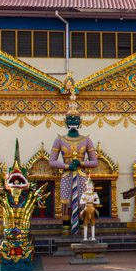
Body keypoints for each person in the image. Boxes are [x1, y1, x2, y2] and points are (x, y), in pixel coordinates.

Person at [50, 91, 98, 235]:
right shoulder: (60, 139)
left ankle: (83, 228)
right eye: (70, 119)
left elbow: (94, 162)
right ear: (65, 122)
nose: (72, 122)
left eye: (75, 119)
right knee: (65, 202)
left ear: (80, 122)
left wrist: (81, 163)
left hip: (82, 175)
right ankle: (66, 228)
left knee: (83, 202)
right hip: (66, 175)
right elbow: (52, 161)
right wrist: (67, 166)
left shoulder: (86, 140)